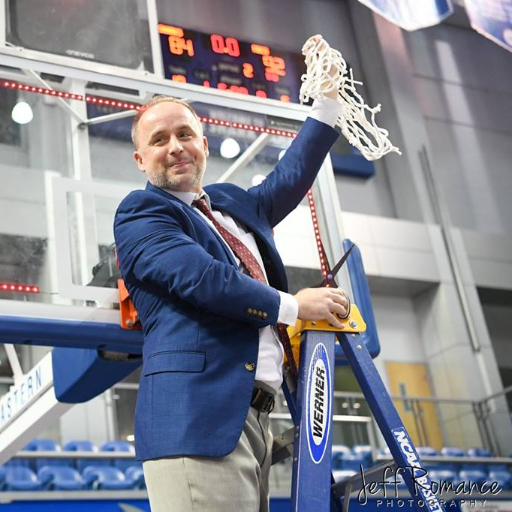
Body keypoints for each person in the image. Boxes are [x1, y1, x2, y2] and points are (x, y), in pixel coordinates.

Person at [114, 35, 349, 512]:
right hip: (196, 419)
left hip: (255, 416)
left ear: (203, 143)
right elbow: (202, 279)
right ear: (141, 160)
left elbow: (289, 177)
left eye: (184, 134)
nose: (175, 147)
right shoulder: (141, 213)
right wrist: (292, 306)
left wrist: (324, 104)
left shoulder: (230, 204)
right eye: (159, 140)